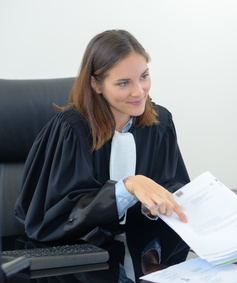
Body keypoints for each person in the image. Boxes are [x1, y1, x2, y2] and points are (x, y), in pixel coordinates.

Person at [14, 29, 190, 280]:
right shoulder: (71, 130)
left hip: (141, 257)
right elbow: (52, 216)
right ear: (96, 84)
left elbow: (173, 184)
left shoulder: (159, 124)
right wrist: (128, 186)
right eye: (123, 83)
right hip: (77, 266)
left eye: (144, 76)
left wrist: (154, 208)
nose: (139, 91)